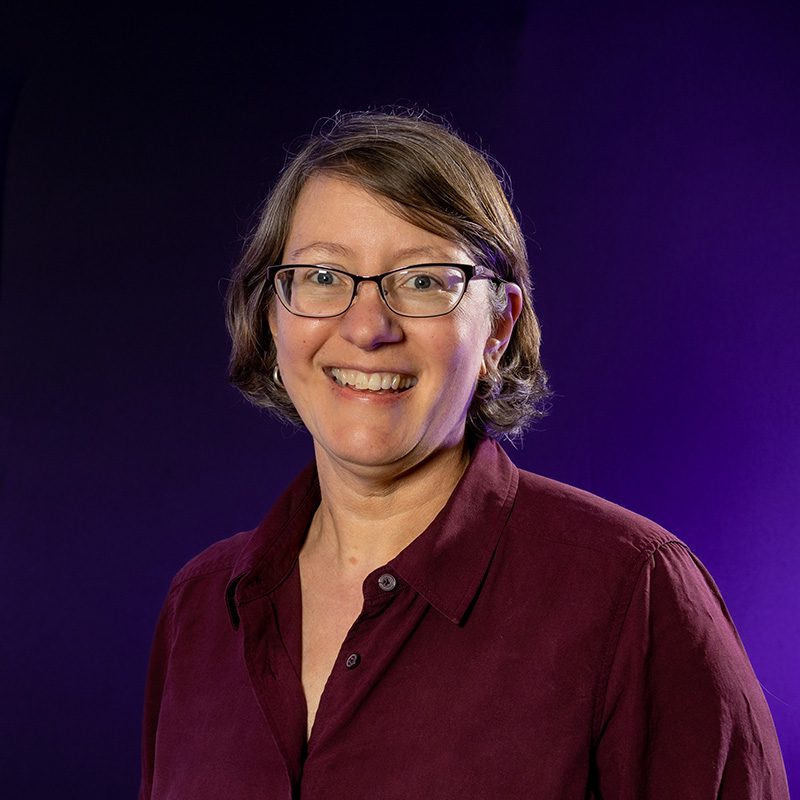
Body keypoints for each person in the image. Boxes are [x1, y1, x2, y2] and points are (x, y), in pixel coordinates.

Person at [139, 110, 789, 799]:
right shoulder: (203, 607)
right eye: (323, 275)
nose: (366, 328)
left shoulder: (634, 592)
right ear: (274, 316)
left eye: (422, 281)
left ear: (498, 329)